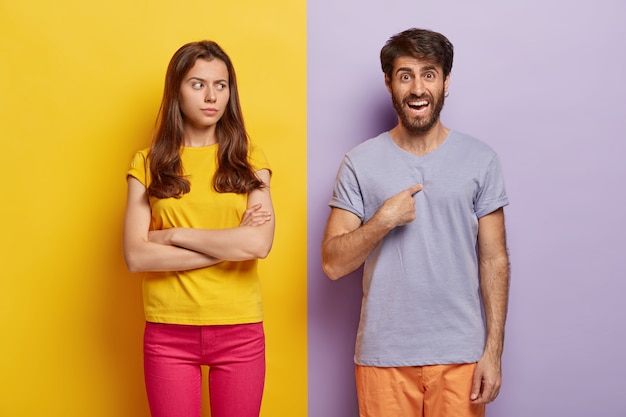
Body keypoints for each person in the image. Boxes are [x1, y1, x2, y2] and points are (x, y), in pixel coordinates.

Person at [321, 28, 510, 417]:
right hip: (383, 356)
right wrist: (382, 221)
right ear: (389, 83)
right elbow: (333, 263)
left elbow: (495, 260)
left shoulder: (481, 160)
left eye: (429, 73)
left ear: (445, 82)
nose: (417, 88)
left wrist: (492, 352)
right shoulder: (360, 162)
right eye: (405, 75)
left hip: (462, 357)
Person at [123, 40, 275, 417]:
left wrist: (172, 235)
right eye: (197, 84)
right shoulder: (147, 163)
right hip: (168, 332)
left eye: (221, 85)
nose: (211, 96)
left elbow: (258, 243)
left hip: (240, 328)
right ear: (177, 89)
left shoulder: (248, 159)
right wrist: (228, 244)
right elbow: (136, 255)